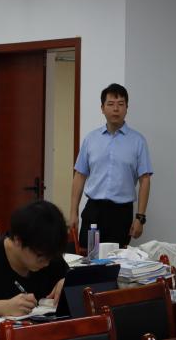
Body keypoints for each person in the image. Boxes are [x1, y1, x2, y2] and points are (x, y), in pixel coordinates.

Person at [70, 83, 153, 248]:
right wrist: (73, 212)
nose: (116, 109)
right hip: (93, 211)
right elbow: (79, 175)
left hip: (121, 213)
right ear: (102, 108)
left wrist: (140, 217)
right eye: (110, 104)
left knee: (117, 259)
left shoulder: (138, 141)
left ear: (126, 108)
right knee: (88, 257)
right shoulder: (90, 139)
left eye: (121, 104)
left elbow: (145, 180)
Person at [0, 200, 69, 318]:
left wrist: (67, 282)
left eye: (50, 257)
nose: (46, 263)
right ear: (18, 240)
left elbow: (77, 282)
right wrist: (4, 307)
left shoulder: (49, 253)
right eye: (40, 256)